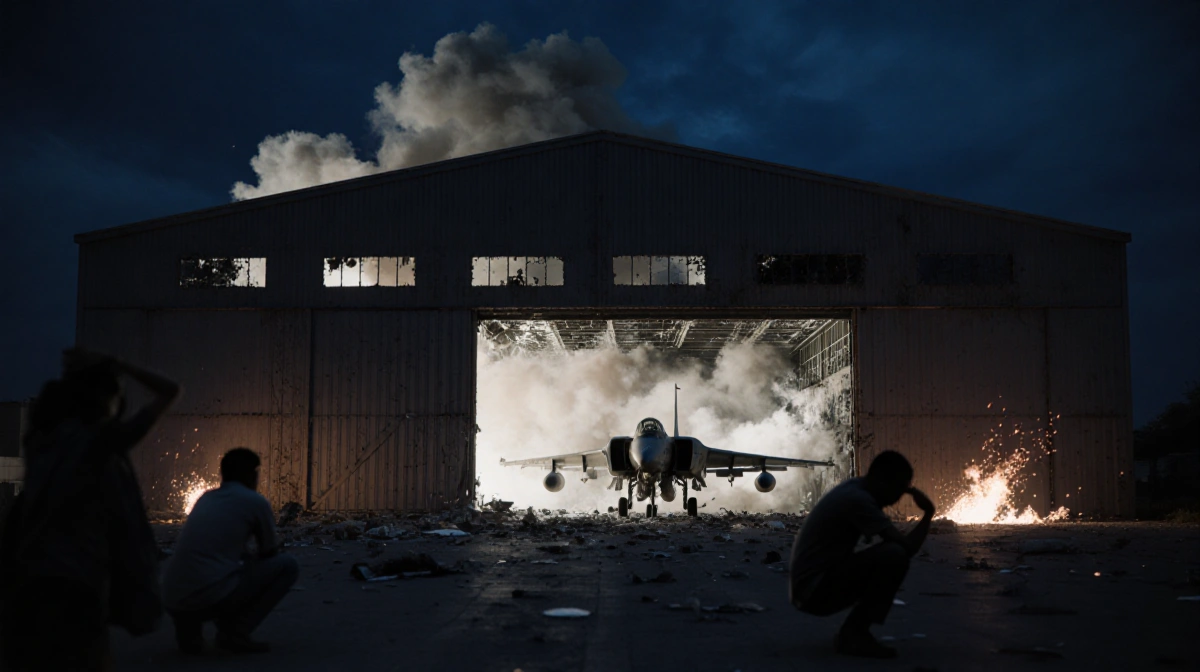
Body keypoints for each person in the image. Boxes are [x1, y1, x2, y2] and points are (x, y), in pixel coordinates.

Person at [0, 349, 180, 671]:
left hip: (24, 574)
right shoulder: (101, 440)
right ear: (104, 400)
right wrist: (122, 363)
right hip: (77, 579)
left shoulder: (39, 440)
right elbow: (169, 391)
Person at [789, 450, 936, 659]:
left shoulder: (854, 489)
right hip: (813, 590)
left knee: (890, 553)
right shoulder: (859, 500)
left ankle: (854, 633)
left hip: (809, 584)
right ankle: (854, 635)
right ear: (882, 480)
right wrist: (928, 514)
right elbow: (906, 548)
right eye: (899, 489)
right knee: (894, 555)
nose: (898, 498)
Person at [162, 447, 298, 654]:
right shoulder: (255, 501)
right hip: (207, 598)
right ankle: (235, 633)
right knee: (288, 566)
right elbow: (269, 553)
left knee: (207, 566)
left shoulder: (205, 498)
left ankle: (189, 631)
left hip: (172, 597)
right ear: (253, 475)